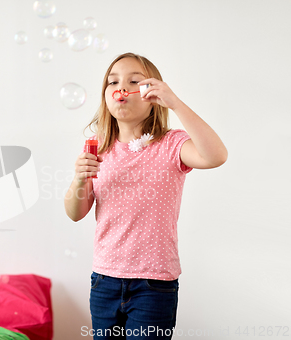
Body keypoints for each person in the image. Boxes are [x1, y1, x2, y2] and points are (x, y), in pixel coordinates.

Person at [64, 53, 227, 339]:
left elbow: (216, 156)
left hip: (154, 285)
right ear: (106, 96)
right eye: (113, 81)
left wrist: (175, 102)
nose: (120, 87)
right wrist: (80, 176)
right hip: (104, 281)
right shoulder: (97, 148)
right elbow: (75, 212)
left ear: (152, 93)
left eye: (133, 81)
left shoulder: (171, 143)